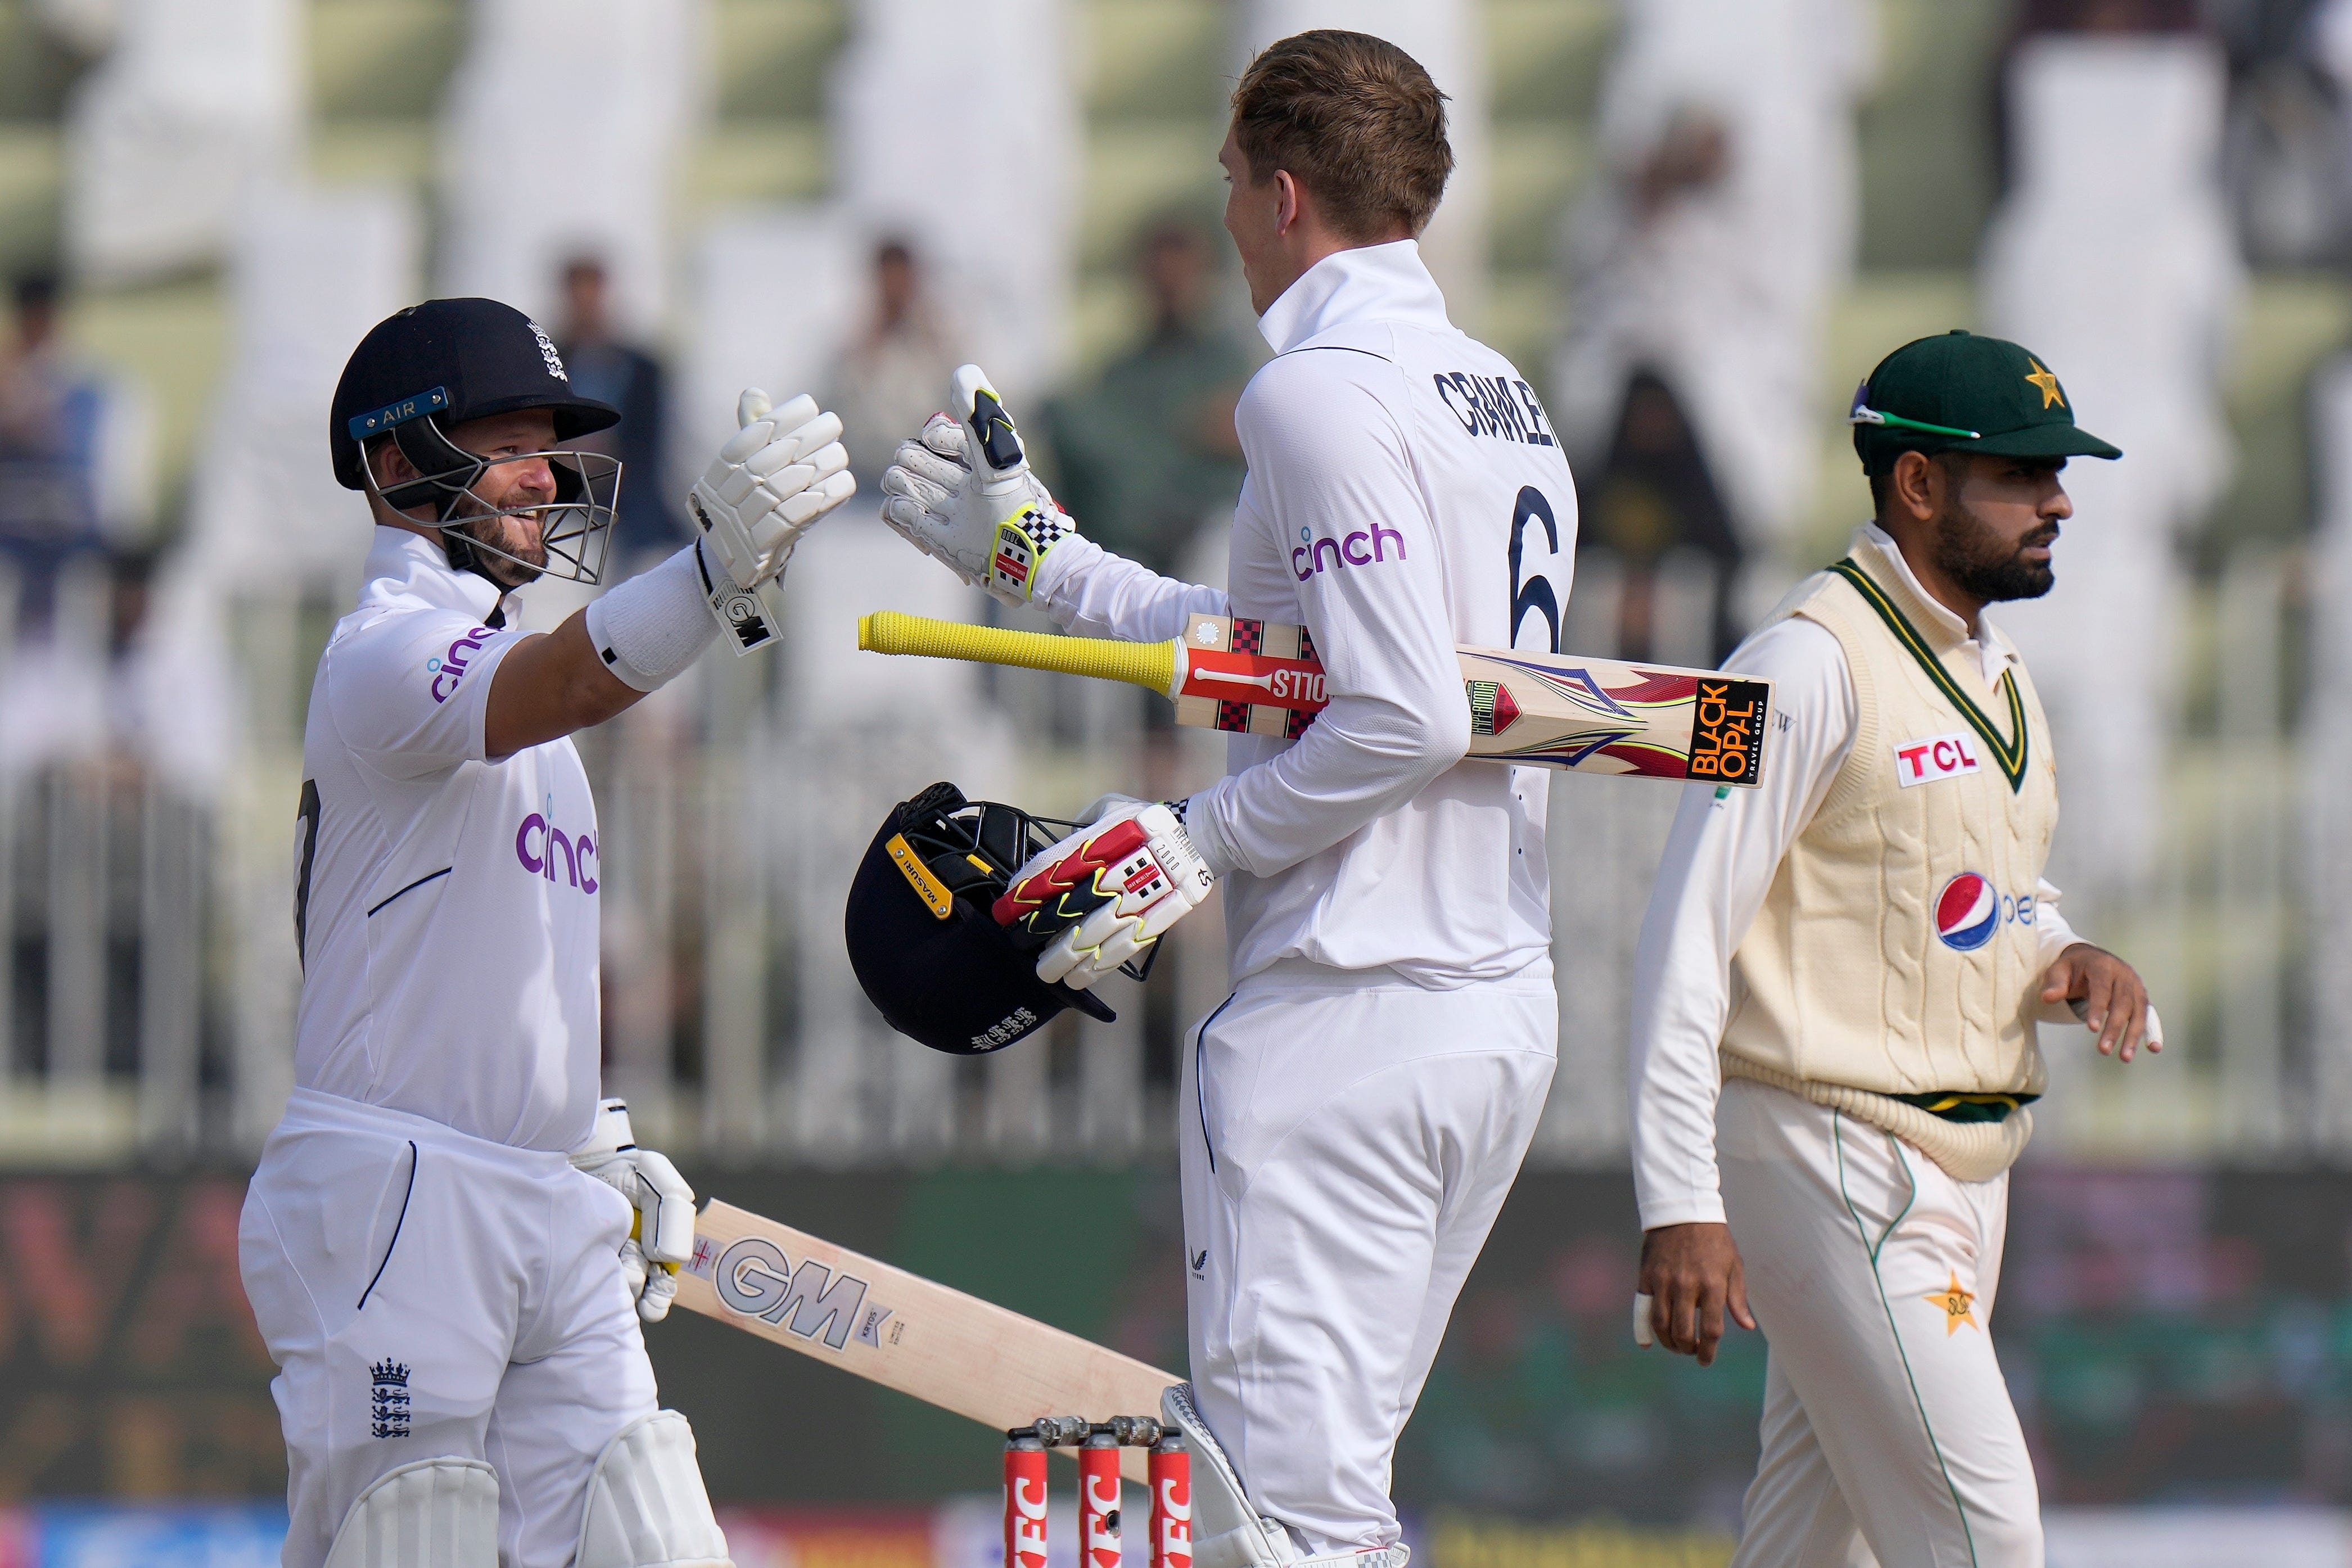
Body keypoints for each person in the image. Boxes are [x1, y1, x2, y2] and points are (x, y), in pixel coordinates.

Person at [878, 31, 1572, 1568]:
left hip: (1344, 1011)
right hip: (1488, 1006)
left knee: (1280, 1516)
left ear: (1274, 194)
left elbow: (1391, 712)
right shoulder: (1495, 392)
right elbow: (1293, 662)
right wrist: (1049, 571)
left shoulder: (1309, 396)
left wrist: (1195, 837)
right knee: (1326, 1501)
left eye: (1222, 189)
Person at [237, 296, 854, 1568]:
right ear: (398, 461)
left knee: (656, 1535)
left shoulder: (513, 709)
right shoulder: (382, 653)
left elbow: (492, 951)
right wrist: (706, 570)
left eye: (550, 441)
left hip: (537, 1198)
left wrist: (585, 1130)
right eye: (508, 437)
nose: (546, 471)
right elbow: (570, 674)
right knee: (409, 1538)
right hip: (396, 1193)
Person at [1629, 331, 2158, 1567]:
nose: (2059, 500)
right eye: (2022, 473)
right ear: (1917, 484)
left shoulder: (2001, 668)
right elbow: (1682, 940)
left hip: (1972, 1157)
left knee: (1821, 1542)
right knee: (1984, 1535)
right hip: (1833, 1146)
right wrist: (1679, 1203)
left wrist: (2069, 947)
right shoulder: (1792, 665)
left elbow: (1982, 890)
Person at [1039, 217, 1255, 576]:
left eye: (1182, 276)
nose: (1171, 287)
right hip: (1137, 551)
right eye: (1160, 277)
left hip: (1216, 543)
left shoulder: (1235, 362)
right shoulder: (1119, 376)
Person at [554, 256, 675, 560]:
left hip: (627, 496)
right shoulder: (546, 361)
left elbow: (651, 442)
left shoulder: (642, 368)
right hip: (562, 492)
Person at [826, 238, 961, 486]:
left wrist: (934, 340)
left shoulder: (943, 342)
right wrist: (869, 342)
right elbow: (835, 408)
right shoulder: (854, 346)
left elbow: (964, 405)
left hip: (932, 479)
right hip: (865, 481)